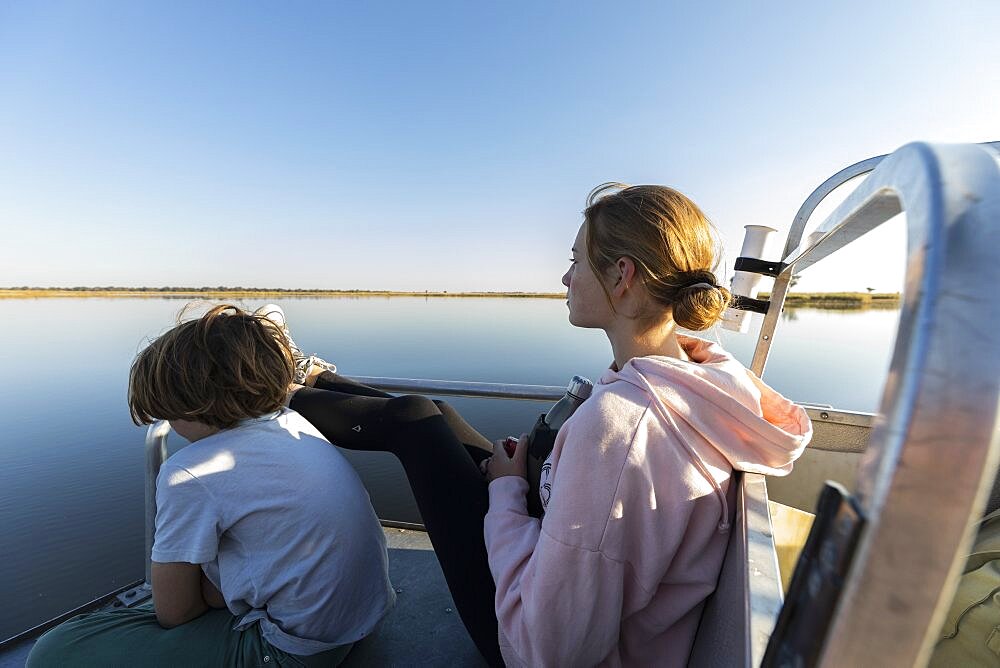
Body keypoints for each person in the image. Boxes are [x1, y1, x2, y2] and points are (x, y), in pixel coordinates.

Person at [281, 182, 812, 667]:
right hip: (602, 603)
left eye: (575, 260)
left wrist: (510, 494)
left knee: (417, 423)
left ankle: (285, 391)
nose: (565, 276)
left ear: (621, 277)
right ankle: (311, 381)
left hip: (523, 642)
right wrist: (527, 482)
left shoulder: (620, 427)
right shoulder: (701, 379)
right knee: (434, 415)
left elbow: (550, 650)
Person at [27, 305, 394, 667]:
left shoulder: (190, 472)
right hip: (360, 622)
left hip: (294, 652)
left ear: (187, 403)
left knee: (56, 649)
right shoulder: (292, 422)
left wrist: (207, 590)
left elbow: (175, 612)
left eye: (163, 410)